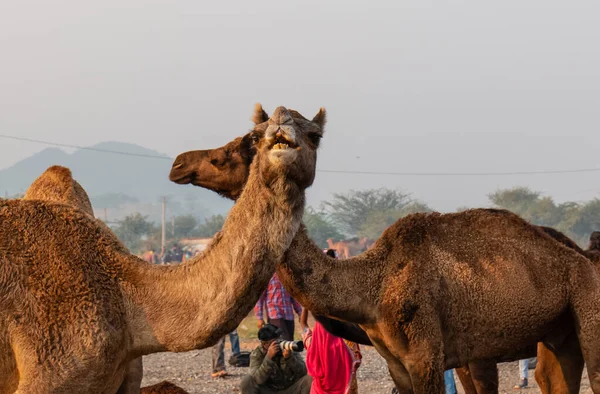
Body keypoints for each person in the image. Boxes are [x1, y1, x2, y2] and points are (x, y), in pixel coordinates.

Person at [240, 324, 312, 394]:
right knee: (247, 381)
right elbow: (258, 380)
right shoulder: (257, 354)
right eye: (274, 342)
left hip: (290, 389)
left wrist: (290, 358)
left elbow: (303, 372)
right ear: (264, 344)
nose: (279, 343)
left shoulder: (287, 347)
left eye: (279, 339)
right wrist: (268, 358)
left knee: (310, 379)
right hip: (270, 391)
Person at [255, 273, 303, 341]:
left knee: (290, 340)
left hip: (288, 315)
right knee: (283, 340)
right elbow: (259, 299)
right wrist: (259, 318)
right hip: (275, 315)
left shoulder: (287, 276)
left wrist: (300, 312)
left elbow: (294, 296)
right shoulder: (267, 277)